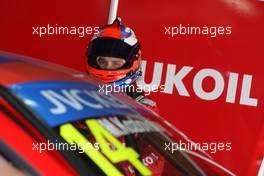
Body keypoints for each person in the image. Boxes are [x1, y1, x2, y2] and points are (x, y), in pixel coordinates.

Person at [86, 18, 158, 113]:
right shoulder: (73, 94)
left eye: (116, 63)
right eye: (102, 62)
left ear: (134, 62)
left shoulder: (144, 108)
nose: (108, 67)